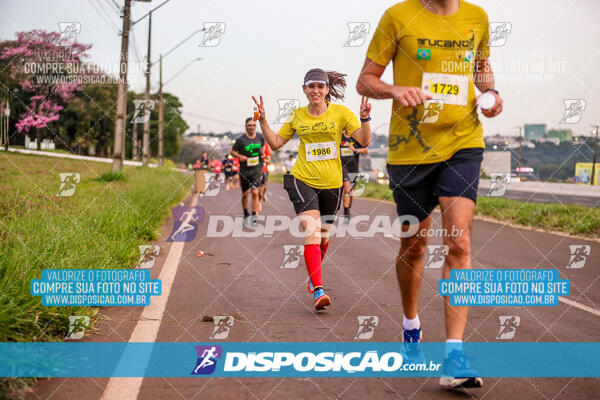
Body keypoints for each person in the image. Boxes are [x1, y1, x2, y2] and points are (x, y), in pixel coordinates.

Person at [357, 0, 503, 389]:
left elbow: (482, 68)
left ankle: (453, 356)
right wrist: (394, 89)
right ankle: (410, 325)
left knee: (459, 241)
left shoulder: (478, 17)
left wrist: (490, 94)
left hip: (463, 143)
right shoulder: (398, 16)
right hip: (410, 150)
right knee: (414, 244)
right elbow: (365, 80)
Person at [253, 68, 372, 310]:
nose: (315, 90)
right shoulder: (298, 116)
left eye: (320, 86)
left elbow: (364, 140)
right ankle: (318, 290)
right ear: (304, 90)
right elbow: (276, 143)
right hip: (302, 179)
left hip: (332, 183)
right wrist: (263, 121)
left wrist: (365, 119)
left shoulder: (341, 113)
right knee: (313, 230)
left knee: (324, 235)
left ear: (327, 89)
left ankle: (312, 275)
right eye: (311, 86)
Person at [231, 118, 265, 227]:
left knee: (255, 191)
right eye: (249, 125)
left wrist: (262, 154)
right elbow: (232, 152)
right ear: (246, 127)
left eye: (254, 125)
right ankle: (246, 212)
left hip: (257, 169)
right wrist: (240, 156)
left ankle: (255, 215)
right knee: (245, 194)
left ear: (256, 126)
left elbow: (263, 146)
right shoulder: (240, 140)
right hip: (245, 170)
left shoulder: (260, 137)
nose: (252, 127)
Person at [340, 130, 368, 222]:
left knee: (351, 192)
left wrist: (355, 150)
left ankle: (347, 209)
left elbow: (365, 150)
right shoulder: (339, 137)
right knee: (346, 188)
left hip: (353, 167)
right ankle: (346, 213)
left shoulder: (356, 138)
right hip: (342, 167)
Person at [258, 142, 272, 210]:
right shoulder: (252, 145)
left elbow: (269, 160)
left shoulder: (266, 145)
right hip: (255, 171)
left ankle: (261, 197)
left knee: (263, 186)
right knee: (256, 189)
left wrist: (263, 159)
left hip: (264, 171)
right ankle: (259, 200)